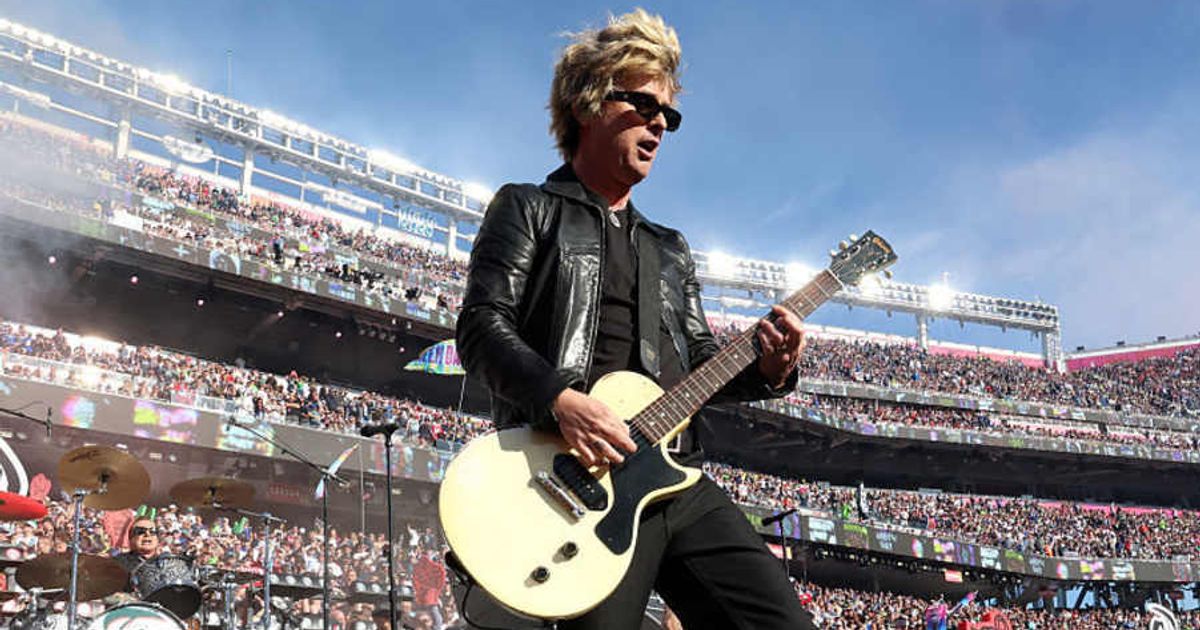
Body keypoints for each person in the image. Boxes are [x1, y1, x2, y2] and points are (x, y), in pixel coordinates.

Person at [455, 9, 814, 629]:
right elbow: (482, 326)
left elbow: (703, 364)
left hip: (673, 479)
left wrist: (772, 370)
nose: (659, 125)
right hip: (574, 476)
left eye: (669, 116)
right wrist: (561, 401)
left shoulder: (668, 247)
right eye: (644, 105)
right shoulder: (529, 208)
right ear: (589, 102)